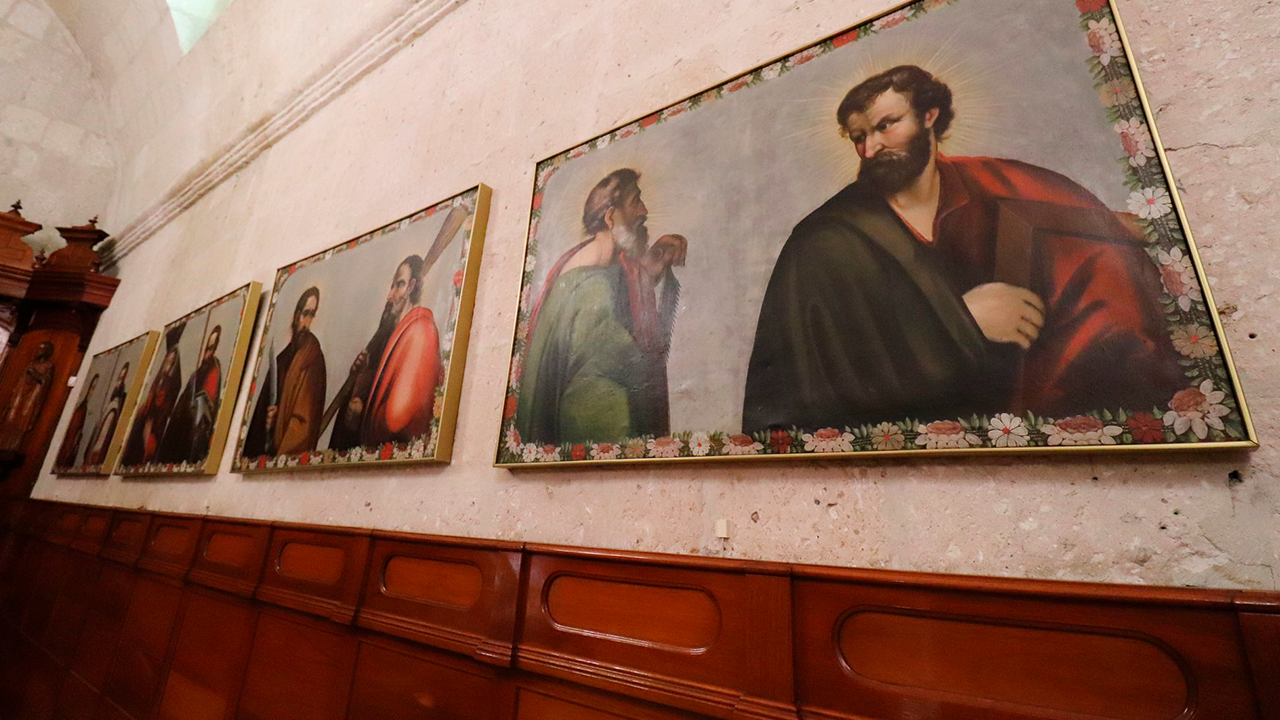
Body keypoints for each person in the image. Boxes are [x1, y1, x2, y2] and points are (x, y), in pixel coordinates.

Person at [743, 65, 1183, 433]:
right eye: (858, 137)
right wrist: (961, 323)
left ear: (929, 115)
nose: (870, 148)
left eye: (885, 126)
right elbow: (811, 377)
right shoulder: (823, 240)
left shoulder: (1004, 188)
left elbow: (1099, 265)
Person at [514, 169, 689, 445]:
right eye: (635, 202)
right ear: (610, 218)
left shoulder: (596, 267)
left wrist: (650, 266)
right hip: (590, 426)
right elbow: (621, 358)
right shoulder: (589, 283)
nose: (644, 211)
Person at [329, 256, 441, 450]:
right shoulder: (395, 332)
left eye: (399, 285)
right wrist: (361, 380)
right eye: (393, 286)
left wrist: (362, 415)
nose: (390, 295)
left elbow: (396, 421)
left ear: (412, 286)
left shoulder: (421, 331)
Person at [243, 287, 327, 457]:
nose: (305, 320)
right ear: (296, 316)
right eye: (304, 313)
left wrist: (278, 421)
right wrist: (268, 424)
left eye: (311, 314)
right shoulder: (281, 360)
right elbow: (261, 414)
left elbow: (305, 422)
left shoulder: (313, 358)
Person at [157, 325, 222, 464]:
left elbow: (206, 407)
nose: (206, 354)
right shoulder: (195, 375)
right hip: (181, 431)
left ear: (215, 349)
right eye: (206, 348)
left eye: (211, 349)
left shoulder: (214, 371)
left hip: (193, 433)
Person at [122, 325, 184, 466]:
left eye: (171, 363)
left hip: (158, 423)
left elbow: (164, 405)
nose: (167, 366)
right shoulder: (158, 381)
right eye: (166, 362)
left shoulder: (172, 384)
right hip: (148, 418)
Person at [0, 341, 56, 452]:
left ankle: (12, 447)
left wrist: (33, 374)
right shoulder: (31, 363)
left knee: (24, 419)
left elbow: (45, 382)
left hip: (32, 397)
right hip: (20, 394)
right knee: (10, 417)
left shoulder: (48, 365)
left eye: (41, 349)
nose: (38, 351)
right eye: (38, 348)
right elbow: (21, 380)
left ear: (47, 352)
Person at [84, 362, 130, 467]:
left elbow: (104, 436)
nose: (118, 383)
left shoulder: (115, 407)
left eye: (122, 379)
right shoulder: (109, 405)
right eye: (119, 378)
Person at [55, 372, 98, 468]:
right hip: (67, 446)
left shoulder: (90, 412)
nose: (91, 392)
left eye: (94, 388)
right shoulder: (79, 408)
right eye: (91, 387)